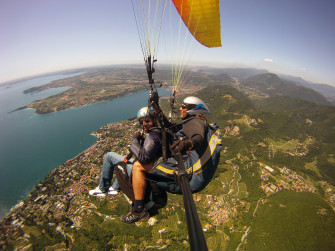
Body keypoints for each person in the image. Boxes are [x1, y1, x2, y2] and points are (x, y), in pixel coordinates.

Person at [120, 96, 222, 223]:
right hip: (198, 174)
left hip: (192, 174)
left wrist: (188, 143)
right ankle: (153, 201)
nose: (180, 108)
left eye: (183, 107)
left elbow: (198, 138)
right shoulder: (194, 123)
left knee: (139, 167)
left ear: (192, 109)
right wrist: (158, 109)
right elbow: (171, 128)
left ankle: (139, 210)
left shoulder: (194, 121)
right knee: (154, 166)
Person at [89, 107, 162, 200]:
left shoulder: (153, 136)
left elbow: (144, 158)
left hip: (142, 170)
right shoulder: (157, 133)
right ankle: (115, 187)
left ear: (155, 120)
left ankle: (102, 189)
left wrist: (135, 140)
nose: (144, 124)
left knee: (109, 156)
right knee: (123, 160)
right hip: (147, 167)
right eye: (141, 122)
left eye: (147, 120)